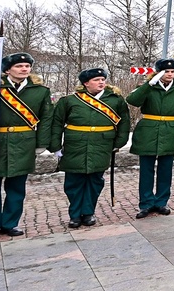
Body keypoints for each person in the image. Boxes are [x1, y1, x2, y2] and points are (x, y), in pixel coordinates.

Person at [0, 52, 53, 241]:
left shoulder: (40, 91)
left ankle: (10, 223)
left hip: (24, 142)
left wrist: (41, 143)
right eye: (19, 66)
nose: (24, 69)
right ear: (7, 70)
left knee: (17, 188)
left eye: (27, 66)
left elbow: (46, 118)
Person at [51, 68, 130, 228]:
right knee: (73, 183)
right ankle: (75, 215)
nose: (101, 82)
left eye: (103, 79)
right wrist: (55, 146)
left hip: (102, 144)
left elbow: (124, 122)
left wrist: (119, 143)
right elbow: (57, 123)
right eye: (96, 80)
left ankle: (88, 212)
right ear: (86, 83)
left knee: (95, 181)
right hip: (75, 146)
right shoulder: (69, 101)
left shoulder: (116, 100)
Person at [127, 58, 174, 218]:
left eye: (172, 71)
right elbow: (132, 101)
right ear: (157, 72)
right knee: (146, 171)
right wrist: (148, 85)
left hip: (170, 131)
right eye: (166, 71)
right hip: (148, 130)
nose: (170, 74)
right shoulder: (148, 87)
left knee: (165, 170)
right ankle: (146, 203)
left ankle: (162, 202)